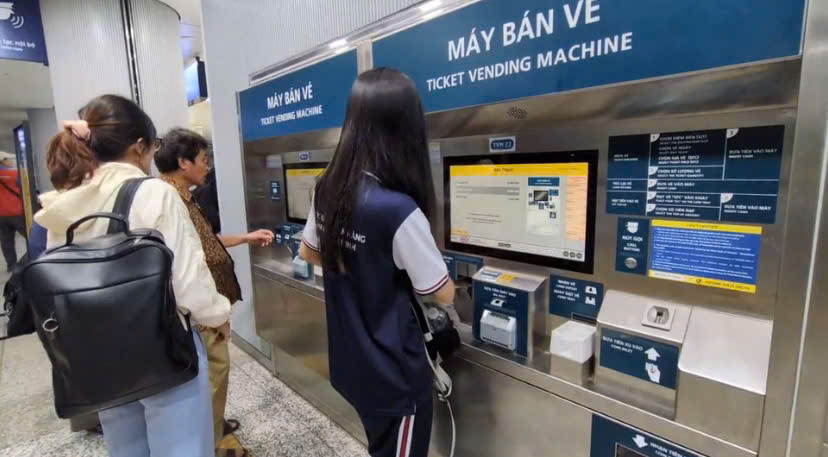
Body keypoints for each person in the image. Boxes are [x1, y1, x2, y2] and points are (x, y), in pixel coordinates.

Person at [36, 94, 230, 457]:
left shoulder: (64, 200)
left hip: (99, 351)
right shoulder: (153, 192)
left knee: (126, 446)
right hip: (162, 347)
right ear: (140, 146)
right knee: (182, 447)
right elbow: (187, 281)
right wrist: (218, 316)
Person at [299, 68, 455, 457]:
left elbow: (309, 252)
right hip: (395, 378)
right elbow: (442, 293)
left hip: (353, 363)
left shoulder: (328, 188)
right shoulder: (397, 209)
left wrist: (364, 263)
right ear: (405, 128)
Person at [154, 127, 274, 457]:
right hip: (201, 312)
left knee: (214, 373)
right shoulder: (171, 201)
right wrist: (214, 315)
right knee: (213, 374)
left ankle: (214, 427)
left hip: (208, 306)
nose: (208, 167)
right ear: (183, 162)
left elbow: (208, 244)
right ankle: (212, 443)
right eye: (204, 160)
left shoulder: (183, 197)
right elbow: (188, 265)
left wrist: (246, 237)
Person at [0, 151, 26, 271]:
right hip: (17, 212)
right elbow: (25, 189)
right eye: (9, 159)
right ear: (3, 161)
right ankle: (36, 258)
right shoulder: (14, 174)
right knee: (30, 236)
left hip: (1, 215)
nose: (11, 161)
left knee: (6, 241)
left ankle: (12, 265)